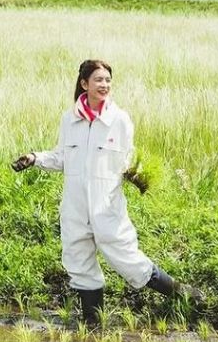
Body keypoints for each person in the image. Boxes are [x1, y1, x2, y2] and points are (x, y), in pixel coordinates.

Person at [11, 58, 200, 324]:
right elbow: (61, 157)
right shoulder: (70, 119)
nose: (104, 85)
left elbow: (129, 159)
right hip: (75, 209)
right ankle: (93, 325)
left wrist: (138, 175)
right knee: (79, 264)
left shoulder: (119, 120)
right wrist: (34, 158)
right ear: (84, 84)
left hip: (107, 208)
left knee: (129, 262)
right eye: (99, 80)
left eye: (108, 80)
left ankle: (186, 296)